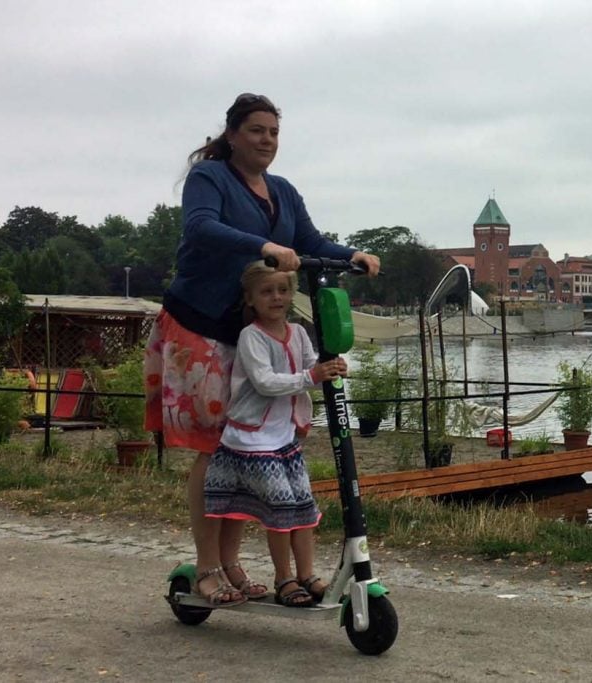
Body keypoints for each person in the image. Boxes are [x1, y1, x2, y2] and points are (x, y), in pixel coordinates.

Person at [143, 93, 380, 606]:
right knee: (214, 447)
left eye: (273, 132)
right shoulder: (210, 180)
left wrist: (352, 254)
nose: (266, 140)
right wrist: (264, 247)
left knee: (243, 449)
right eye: (256, 130)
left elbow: (311, 239)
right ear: (232, 135)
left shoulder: (283, 191)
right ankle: (208, 565)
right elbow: (201, 227)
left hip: (252, 331)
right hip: (201, 327)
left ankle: (231, 563)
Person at [203, 261, 341, 607]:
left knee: (304, 507)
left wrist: (331, 367)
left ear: (292, 295)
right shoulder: (251, 337)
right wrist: (312, 377)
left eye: (283, 290)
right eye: (267, 292)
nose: (276, 297)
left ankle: (307, 573)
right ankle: (285, 578)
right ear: (251, 298)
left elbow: (312, 364)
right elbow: (265, 382)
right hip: (252, 441)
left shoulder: (297, 332)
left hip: (284, 438)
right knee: (280, 509)